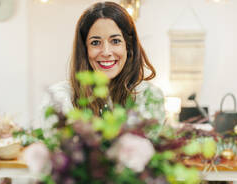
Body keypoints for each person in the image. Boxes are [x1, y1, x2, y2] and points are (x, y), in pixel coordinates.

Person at [37, 1, 165, 130]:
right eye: (95, 42)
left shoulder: (147, 96)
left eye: (115, 41)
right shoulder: (60, 97)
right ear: (84, 49)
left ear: (128, 46)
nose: (106, 52)